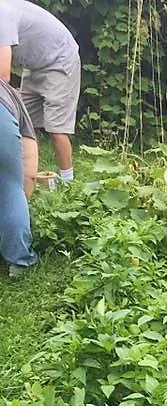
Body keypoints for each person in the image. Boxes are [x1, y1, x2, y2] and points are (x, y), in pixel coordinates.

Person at [0, 0, 80, 183]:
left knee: (57, 129)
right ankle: (23, 175)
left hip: (60, 59)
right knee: (20, 122)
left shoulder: (2, 16)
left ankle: (69, 183)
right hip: (34, 64)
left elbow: (3, 76)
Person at [0, 76, 38, 276]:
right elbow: (29, 174)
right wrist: (20, 199)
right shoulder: (12, 95)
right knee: (11, 189)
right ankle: (19, 262)